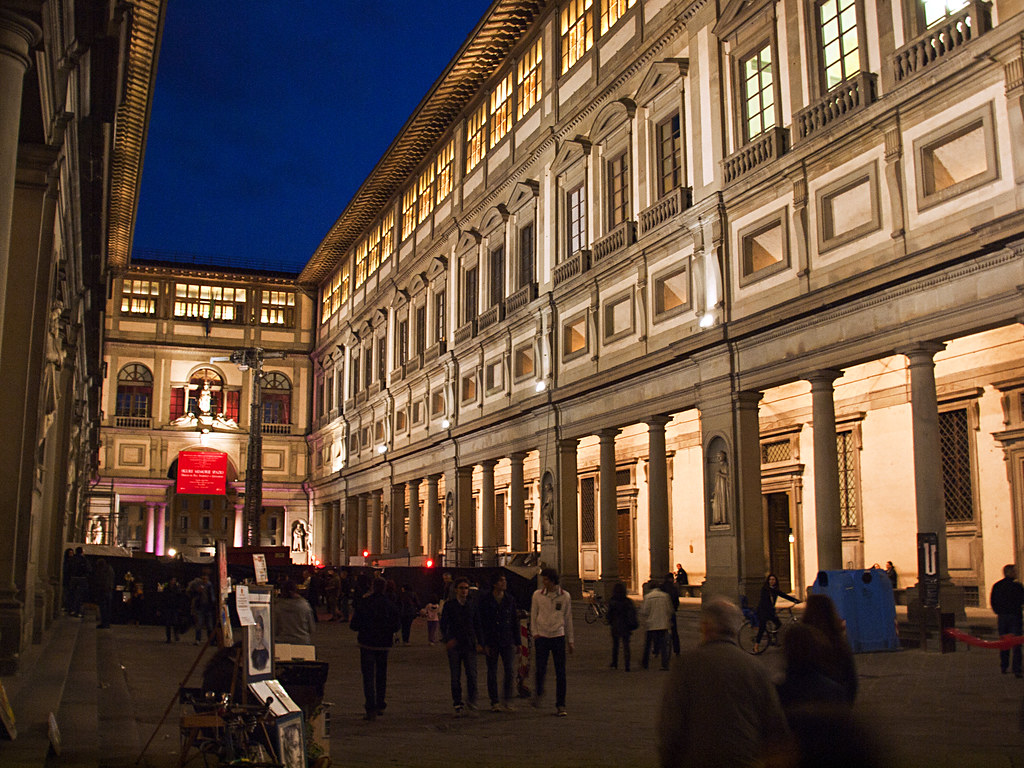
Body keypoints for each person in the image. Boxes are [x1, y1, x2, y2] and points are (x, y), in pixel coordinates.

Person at [657, 597, 791, 768]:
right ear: (735, 629)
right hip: (742, 759)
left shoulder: (686, 665)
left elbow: (670, 725)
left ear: (705, 627)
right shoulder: (754, 667)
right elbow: (774, 725)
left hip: (698, 760)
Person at [349, 577, 401, 720]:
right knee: (381, 675)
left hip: (367, 643)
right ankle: (380, 704)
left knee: (368, 676)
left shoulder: (365, 603)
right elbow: (396, 626)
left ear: (372, 586)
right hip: (383, 645)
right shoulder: (390, 604)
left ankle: (370, 707)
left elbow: (354, 625)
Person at [529, 568, 574, 716]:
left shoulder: (565, 596)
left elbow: (568, 618)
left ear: (553, 580)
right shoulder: (537, 595)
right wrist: (534, 633)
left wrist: (570, 640)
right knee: (540, 668)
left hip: (558, 636)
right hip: (542, 636)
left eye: (546, 579)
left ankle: (561, 704)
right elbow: (533, 614)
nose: (544, 582)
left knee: (560, 672)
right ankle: (539, 691)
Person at [801, 593, 858, 702]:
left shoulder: (801, 640)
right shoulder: (838, 642)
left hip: (807, 702)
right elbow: (851, 681)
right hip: (836, 701)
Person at [441, 577, 483, 715]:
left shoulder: (472, 605)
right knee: (455, 676)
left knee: (472, 674)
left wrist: (480, 642)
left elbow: (477, 624)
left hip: (469, 644)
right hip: (455, 645)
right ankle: (457, 703)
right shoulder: (449, 605)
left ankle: (472, 700)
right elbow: (444, 624)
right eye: (461, 588)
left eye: (466, 588)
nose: (464, 591)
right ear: (456, 590)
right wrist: (448, 639)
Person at [479, 573, 521, 711]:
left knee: (509, 670)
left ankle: (507, 699)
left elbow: (514, 621)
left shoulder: (510, 599)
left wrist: (518, 642)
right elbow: (481, 622)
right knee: (492, 671)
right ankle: (494, 701)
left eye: (504, 580)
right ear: (494, 584)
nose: (504, 583)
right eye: (501, 580)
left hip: (507, 639)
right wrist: (483, 643)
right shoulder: (485, 599)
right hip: (491, 640)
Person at [990, 563, 1024, 678]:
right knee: (1016, 643)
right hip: (1015, 617)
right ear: (1009, 573)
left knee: (1004, 642)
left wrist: (998, 612)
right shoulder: (1017, 586)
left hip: (1003, 617)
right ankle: (1017, 669)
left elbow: (993, 601)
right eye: (1014, 571)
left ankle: (1004, 666)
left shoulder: (997, 586)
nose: (1016, 573)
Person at [754, 573, 799, 652]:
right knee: (762, 628)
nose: (772, 581)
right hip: (763, 611)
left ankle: (774, 639)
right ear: (768, 581)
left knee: (778, 624)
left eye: (773, 580)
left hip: (770, 611)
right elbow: (764, 602)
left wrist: (796, 601)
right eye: (770, 579)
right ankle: (756, 646)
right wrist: (774, 609)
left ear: (776, 581)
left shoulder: (775, 590)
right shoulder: (765, 589)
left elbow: (784, 595)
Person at [641, 577, 674, 670]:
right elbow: (670, 610)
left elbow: (645, 611)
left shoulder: (648, 597)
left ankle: (645, 663)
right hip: (663, 623)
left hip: (651, 624)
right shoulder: (665, 596)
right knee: (663, 645)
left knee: (648, 644)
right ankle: (664, 664)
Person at [605, 581, 638, 671]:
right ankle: (627, 665)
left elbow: (609, 614)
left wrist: (609, 620)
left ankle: (615, 663)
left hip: (615, 625)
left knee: (615, 645)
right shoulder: (628, 601)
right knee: (626, 645)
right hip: (626, 625)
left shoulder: (612, 601)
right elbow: (633, 613)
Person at [275, 579, 315, 645]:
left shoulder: (278, 607)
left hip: (282, 641)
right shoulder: (304, 605)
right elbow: (311, 628)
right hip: (302, 641)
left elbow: (274, 628)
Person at [187, 571, 216, 645]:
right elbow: (191, 593)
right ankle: (198, 639)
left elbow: (212, 596)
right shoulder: (197, 585)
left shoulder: (209, 586)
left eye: (205, 578)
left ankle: (210, 640)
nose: (204, 580)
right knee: (199, 624)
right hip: (200, 607)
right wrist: (197, 592)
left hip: (208, 607)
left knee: (209, 625)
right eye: (203, 578)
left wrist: (212, 604)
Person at [158, 577, 184, 643]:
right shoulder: (166, 588)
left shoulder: (177, 588)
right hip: (168, 607)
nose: (173, 581)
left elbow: (179, 598)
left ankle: (176, 633)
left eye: (174, 580)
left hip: (175, 607)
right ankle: (168, 638)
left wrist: (180, 607)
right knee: (168, 623)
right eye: (172, 580)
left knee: (175, 622)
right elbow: (163, 599)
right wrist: (160, 609)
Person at [67, 546, 90, 617]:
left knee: (72, 594)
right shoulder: (84, 560)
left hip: (73, 578)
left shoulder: (72, 559)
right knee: (80, 596)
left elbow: (68, 568)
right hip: (82, 579)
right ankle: (78, 611)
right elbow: (88, 569)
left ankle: (71, 610)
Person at [92, 557, 115, 628]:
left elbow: (103, 581)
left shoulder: (103, 571)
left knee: (104, 608)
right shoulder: (109, 569)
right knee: (107, 608)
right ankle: (106, 623)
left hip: (104, 591)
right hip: (108, 591)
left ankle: (104, 623)